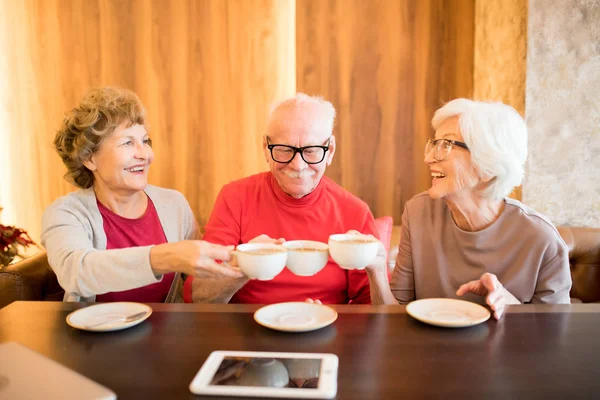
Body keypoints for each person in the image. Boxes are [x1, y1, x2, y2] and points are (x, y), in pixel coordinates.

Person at [365, 99, 572, 319]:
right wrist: (376, 271)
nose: (428, 158)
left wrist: (508, 304)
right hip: (430, 351)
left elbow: (555, 335)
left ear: (488, 167)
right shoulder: (418, 212)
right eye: (434, 144)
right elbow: (395, 317)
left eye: (446, 145)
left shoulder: (541, 238)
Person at [42, 87, 243, 303]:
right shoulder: (66, 213)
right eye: (128, 143)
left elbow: (199, 295)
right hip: (91, 337)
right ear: (90, 159)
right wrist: (167, 257)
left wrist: (244, 263)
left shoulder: (174, 205)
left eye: (145, 141)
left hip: (167, 336)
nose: (145, 154)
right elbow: (76, 273)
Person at [185, 93, 379, 304]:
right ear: (266, 149)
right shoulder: (235, 197)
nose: (297, 165)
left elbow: (373, 310)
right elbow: (197, 296)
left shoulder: (354, 211)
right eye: (284, 150)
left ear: (330, 150)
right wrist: (244, 263)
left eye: (312, 151)